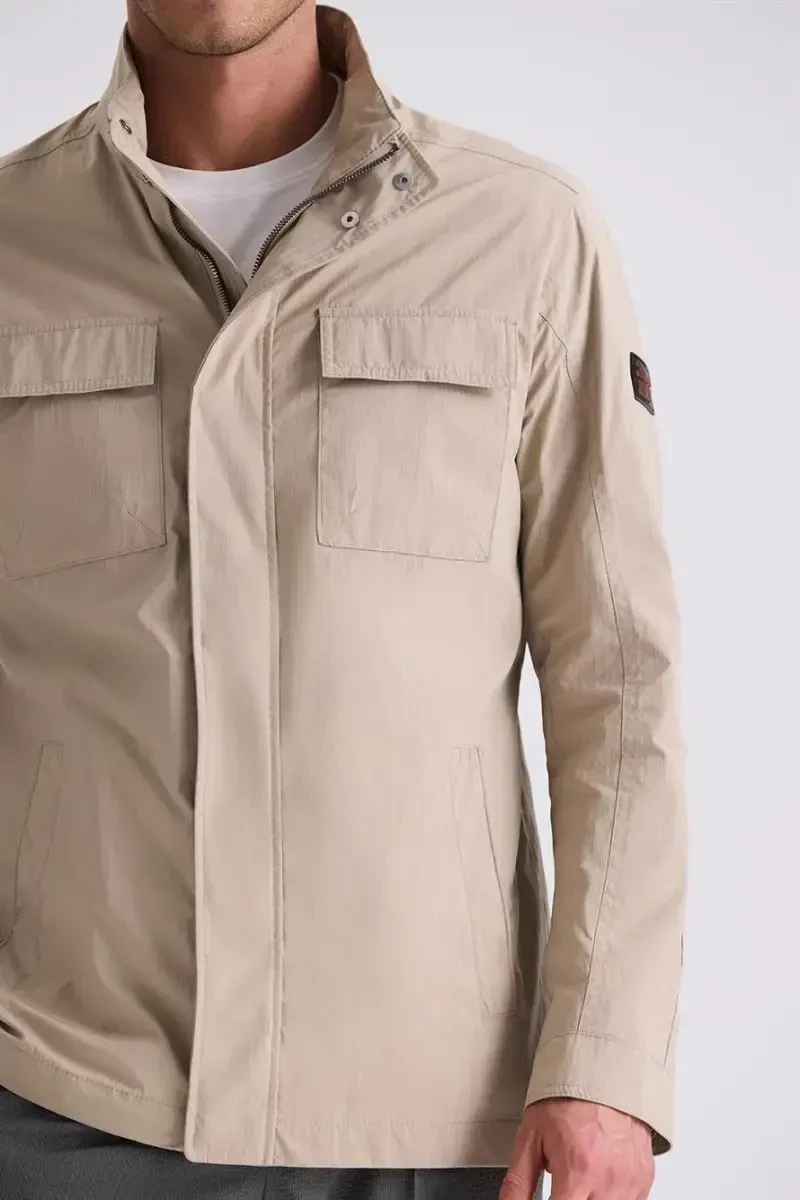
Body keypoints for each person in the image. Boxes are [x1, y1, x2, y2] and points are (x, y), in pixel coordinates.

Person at [0, 2, 687, 1198]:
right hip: (63, 1098)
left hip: (429, 1111)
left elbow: (618, 683)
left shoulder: (522, 232)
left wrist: (605, 1065)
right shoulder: (16, 238)